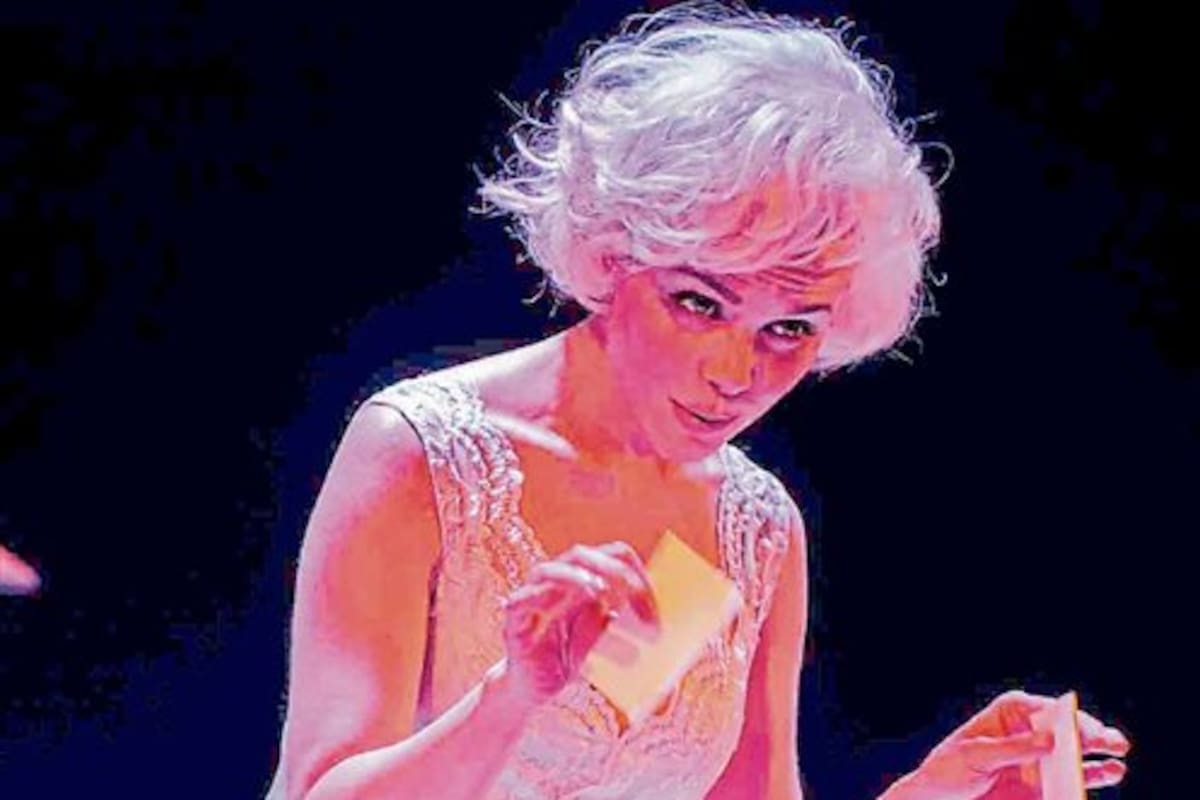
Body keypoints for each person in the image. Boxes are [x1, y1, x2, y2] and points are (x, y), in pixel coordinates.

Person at [264, 3, 1131, 798]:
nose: (735, 371)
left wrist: (935, 791)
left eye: (789, 328)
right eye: (699, 302)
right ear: (615, 251)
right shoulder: (428, 452)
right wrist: (512, 695)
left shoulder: (755, 527)